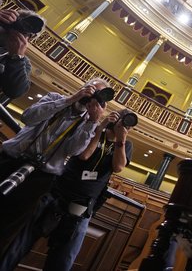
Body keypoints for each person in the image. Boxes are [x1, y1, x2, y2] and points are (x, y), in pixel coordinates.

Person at [0, 109, 134, 271]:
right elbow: (84, 155)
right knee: (20, 244)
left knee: (64, 258)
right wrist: (100, 129)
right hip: (56, 194)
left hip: (83, 205)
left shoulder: (126, 144)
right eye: (121, 119)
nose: (123, 124)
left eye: (128, 123)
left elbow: (118, 167)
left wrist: (121, 139)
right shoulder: (94, 131)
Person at [0, 78, 110, 250]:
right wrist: (70, 100)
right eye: (91, 89)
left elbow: (73, 150)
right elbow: (28, 117)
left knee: (7, 224)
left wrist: (93, 122)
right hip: (9, 160)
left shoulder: (86, 122)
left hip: (40, 177)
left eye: (97, 94)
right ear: (83, 87)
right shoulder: (55, 97)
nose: (91, 95)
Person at [0, 7, 45, 99]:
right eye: (21, 22)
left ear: (29, 38)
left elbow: (15, 91)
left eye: (26, 33)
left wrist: (16, 57)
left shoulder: (23, 63)